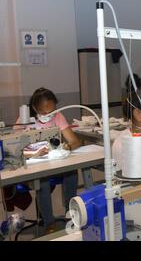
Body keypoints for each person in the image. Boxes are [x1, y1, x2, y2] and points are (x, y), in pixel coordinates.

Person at [18, 88, 82, 232]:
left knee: (71, 173)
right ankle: (49, 223)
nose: (49, 116)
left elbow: (75, 141)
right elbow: (16, 152)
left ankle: (71, 213)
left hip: (54, 165)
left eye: (52, 112)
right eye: (45, 113)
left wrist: (67, 147)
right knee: (43, 182)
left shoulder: (58, 117)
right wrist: (34, 152)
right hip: (35, 168)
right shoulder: (25, 120)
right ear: (35, 108)